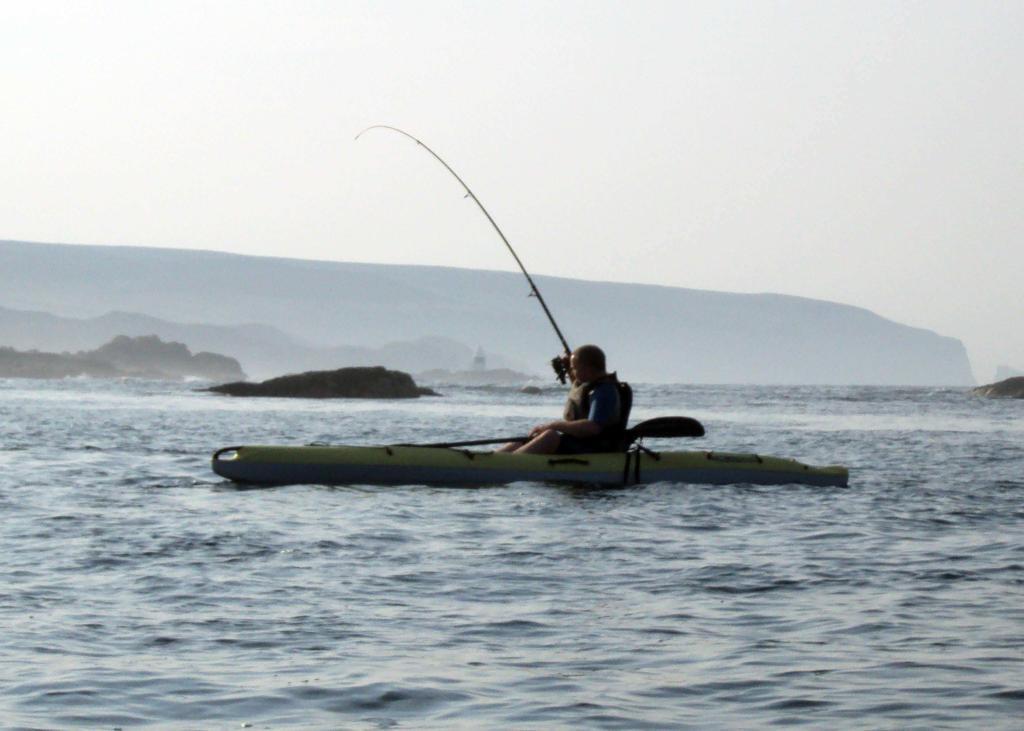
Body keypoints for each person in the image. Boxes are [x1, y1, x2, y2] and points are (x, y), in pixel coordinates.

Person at [499, 344, 631, 455]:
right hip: (581, 444)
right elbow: (578, 390)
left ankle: (506, 465)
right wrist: (570, 364)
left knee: (550, 436)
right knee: (525, 439)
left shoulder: (604, 391)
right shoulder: (590, 385)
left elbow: (592, 428)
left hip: (597, 449)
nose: (572, 372)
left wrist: (553, 425)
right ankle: (493, 459)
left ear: (588, 368)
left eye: (574, 368)